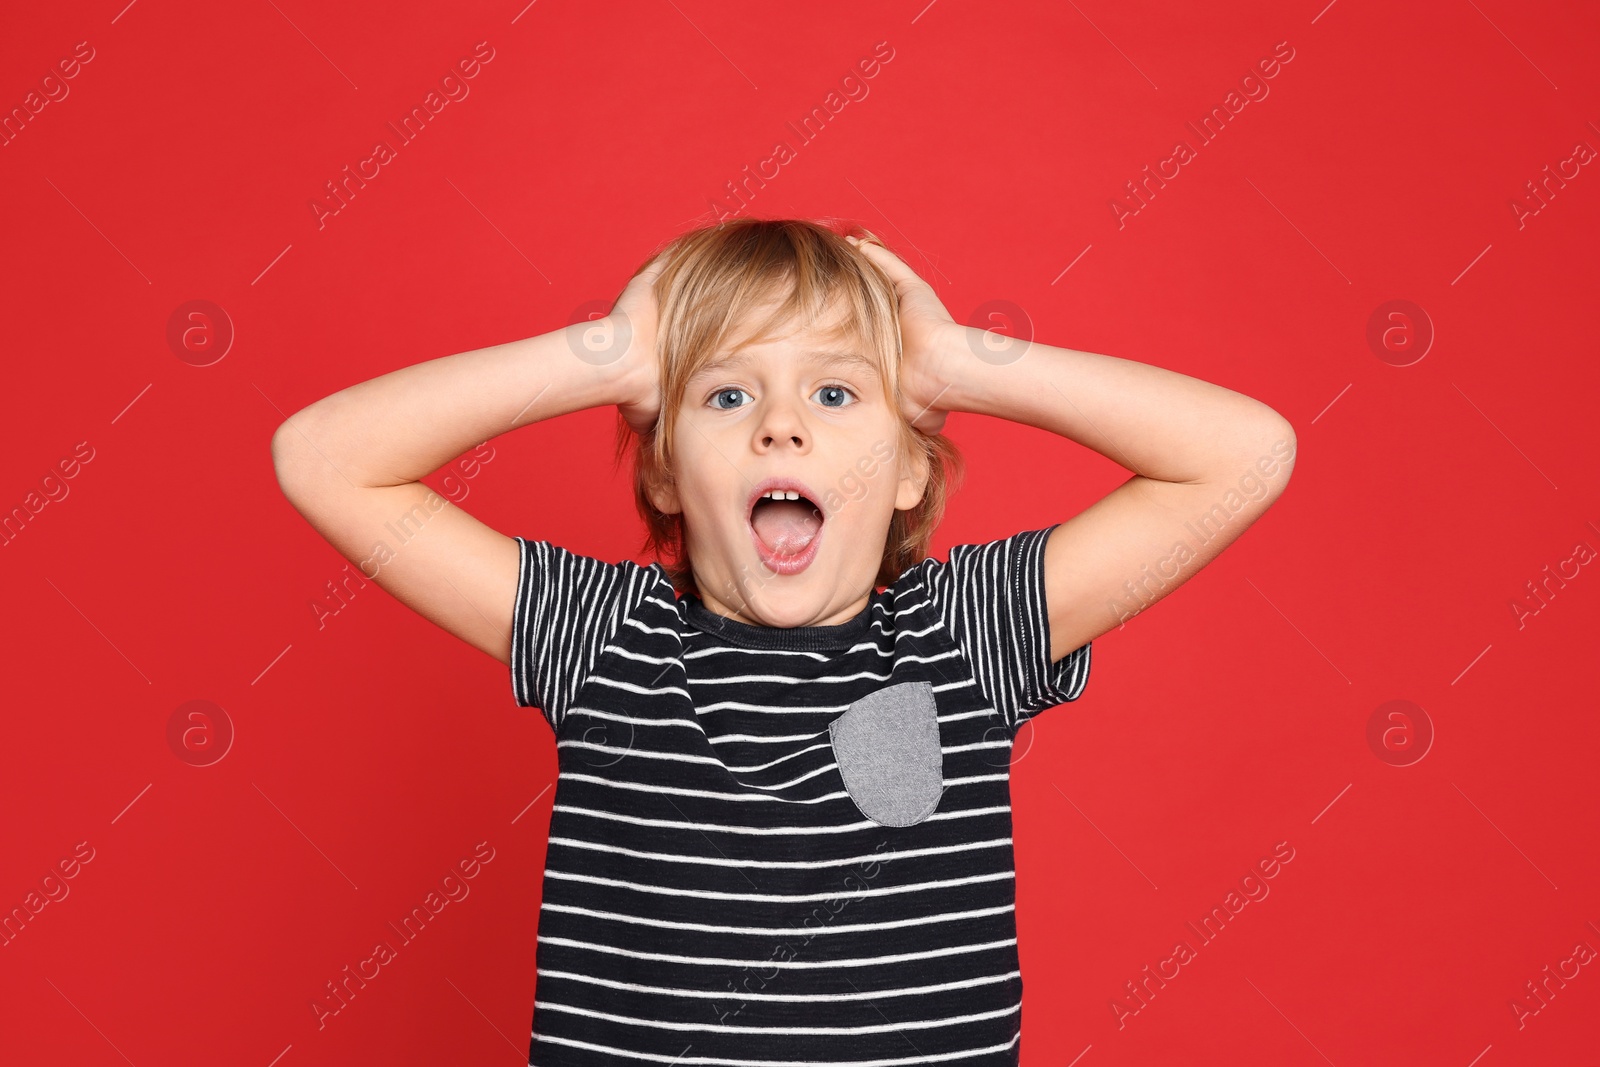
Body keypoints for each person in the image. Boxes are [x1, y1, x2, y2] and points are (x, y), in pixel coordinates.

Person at [272, 217, 1296, 1065]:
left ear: (908, 471)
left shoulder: (965, 634)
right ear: (665, 474)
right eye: (725, 393)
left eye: (837, 392)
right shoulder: (601, 637)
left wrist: (950, 361)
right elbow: (322, 459)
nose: (781, 426)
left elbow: (1245, 455)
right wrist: (608, 354)